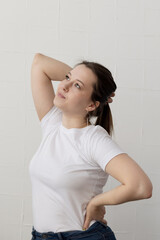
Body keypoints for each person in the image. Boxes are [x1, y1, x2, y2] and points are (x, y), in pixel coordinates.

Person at [29, 53, 153, 240]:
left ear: (91, 105)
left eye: (77, 86)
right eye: (68, 78)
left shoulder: (93, 139)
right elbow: (39, 63)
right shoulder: (52, 123)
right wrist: (87, 83)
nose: (64, 85)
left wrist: (96, 203)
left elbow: (141, 186)